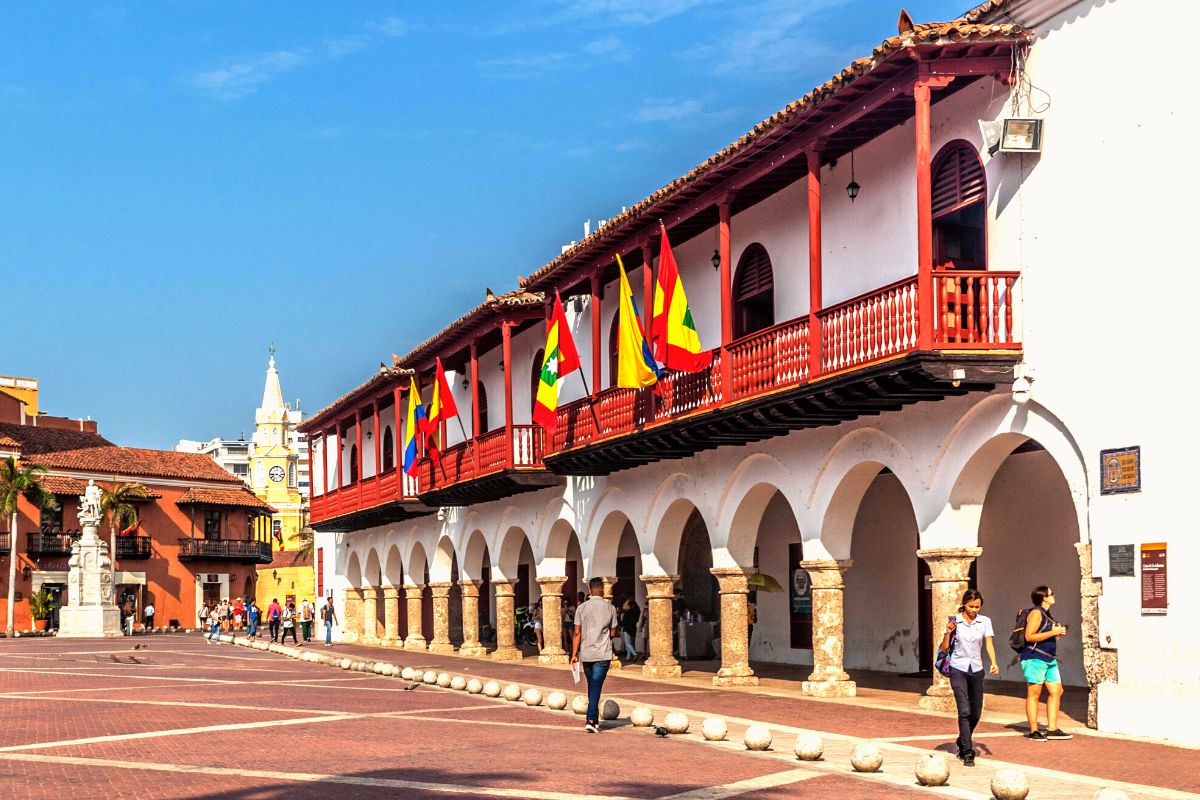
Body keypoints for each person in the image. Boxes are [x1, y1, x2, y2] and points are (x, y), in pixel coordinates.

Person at [939, 589, 999, 767]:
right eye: (971, 606)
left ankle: (961, 739)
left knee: (976, 711)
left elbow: (989, 643)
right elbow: (943, 648)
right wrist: (948, 633)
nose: (974, 610)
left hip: (977, 669)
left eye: (977, 607)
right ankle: (967, 750)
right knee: (964, 710)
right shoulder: (954, 621)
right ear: (964, 604)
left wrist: (994, 662)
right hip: (958, 668)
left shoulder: (984, 621)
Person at [1021, 585, 1071, 741]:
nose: (1054, 595)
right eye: (1052, 594)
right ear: (1044, 597)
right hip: (1035, 657)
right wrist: (1053, 632)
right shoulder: (1036, 613)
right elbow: (1029, 636)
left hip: (1049, 658)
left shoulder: (1046, 614)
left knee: (1057, 691)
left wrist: (1056, 634)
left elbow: (1043, 635)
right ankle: (1034, 731)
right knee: (1034, 693)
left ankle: (1052, 729)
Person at [571, 577, 619, 733]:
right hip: (602, 653)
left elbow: (577, 632)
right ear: (603, 590)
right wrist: (604, 637)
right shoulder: (610, 608)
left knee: (593, 685)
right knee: (596, 685)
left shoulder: (581, 608)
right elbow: (613, 631)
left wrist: (574, 654)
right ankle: (591, 719)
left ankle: (594, 718)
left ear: (589, 590)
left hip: (586, 653)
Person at [619, 597, 640, 662]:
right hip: (633, 627)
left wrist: (620, 624)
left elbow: (624, 621)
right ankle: (628, 657)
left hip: (627, 628)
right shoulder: (637, 610)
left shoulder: (628, 612)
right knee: (630, 643)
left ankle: (634, 654)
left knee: (627, 643)